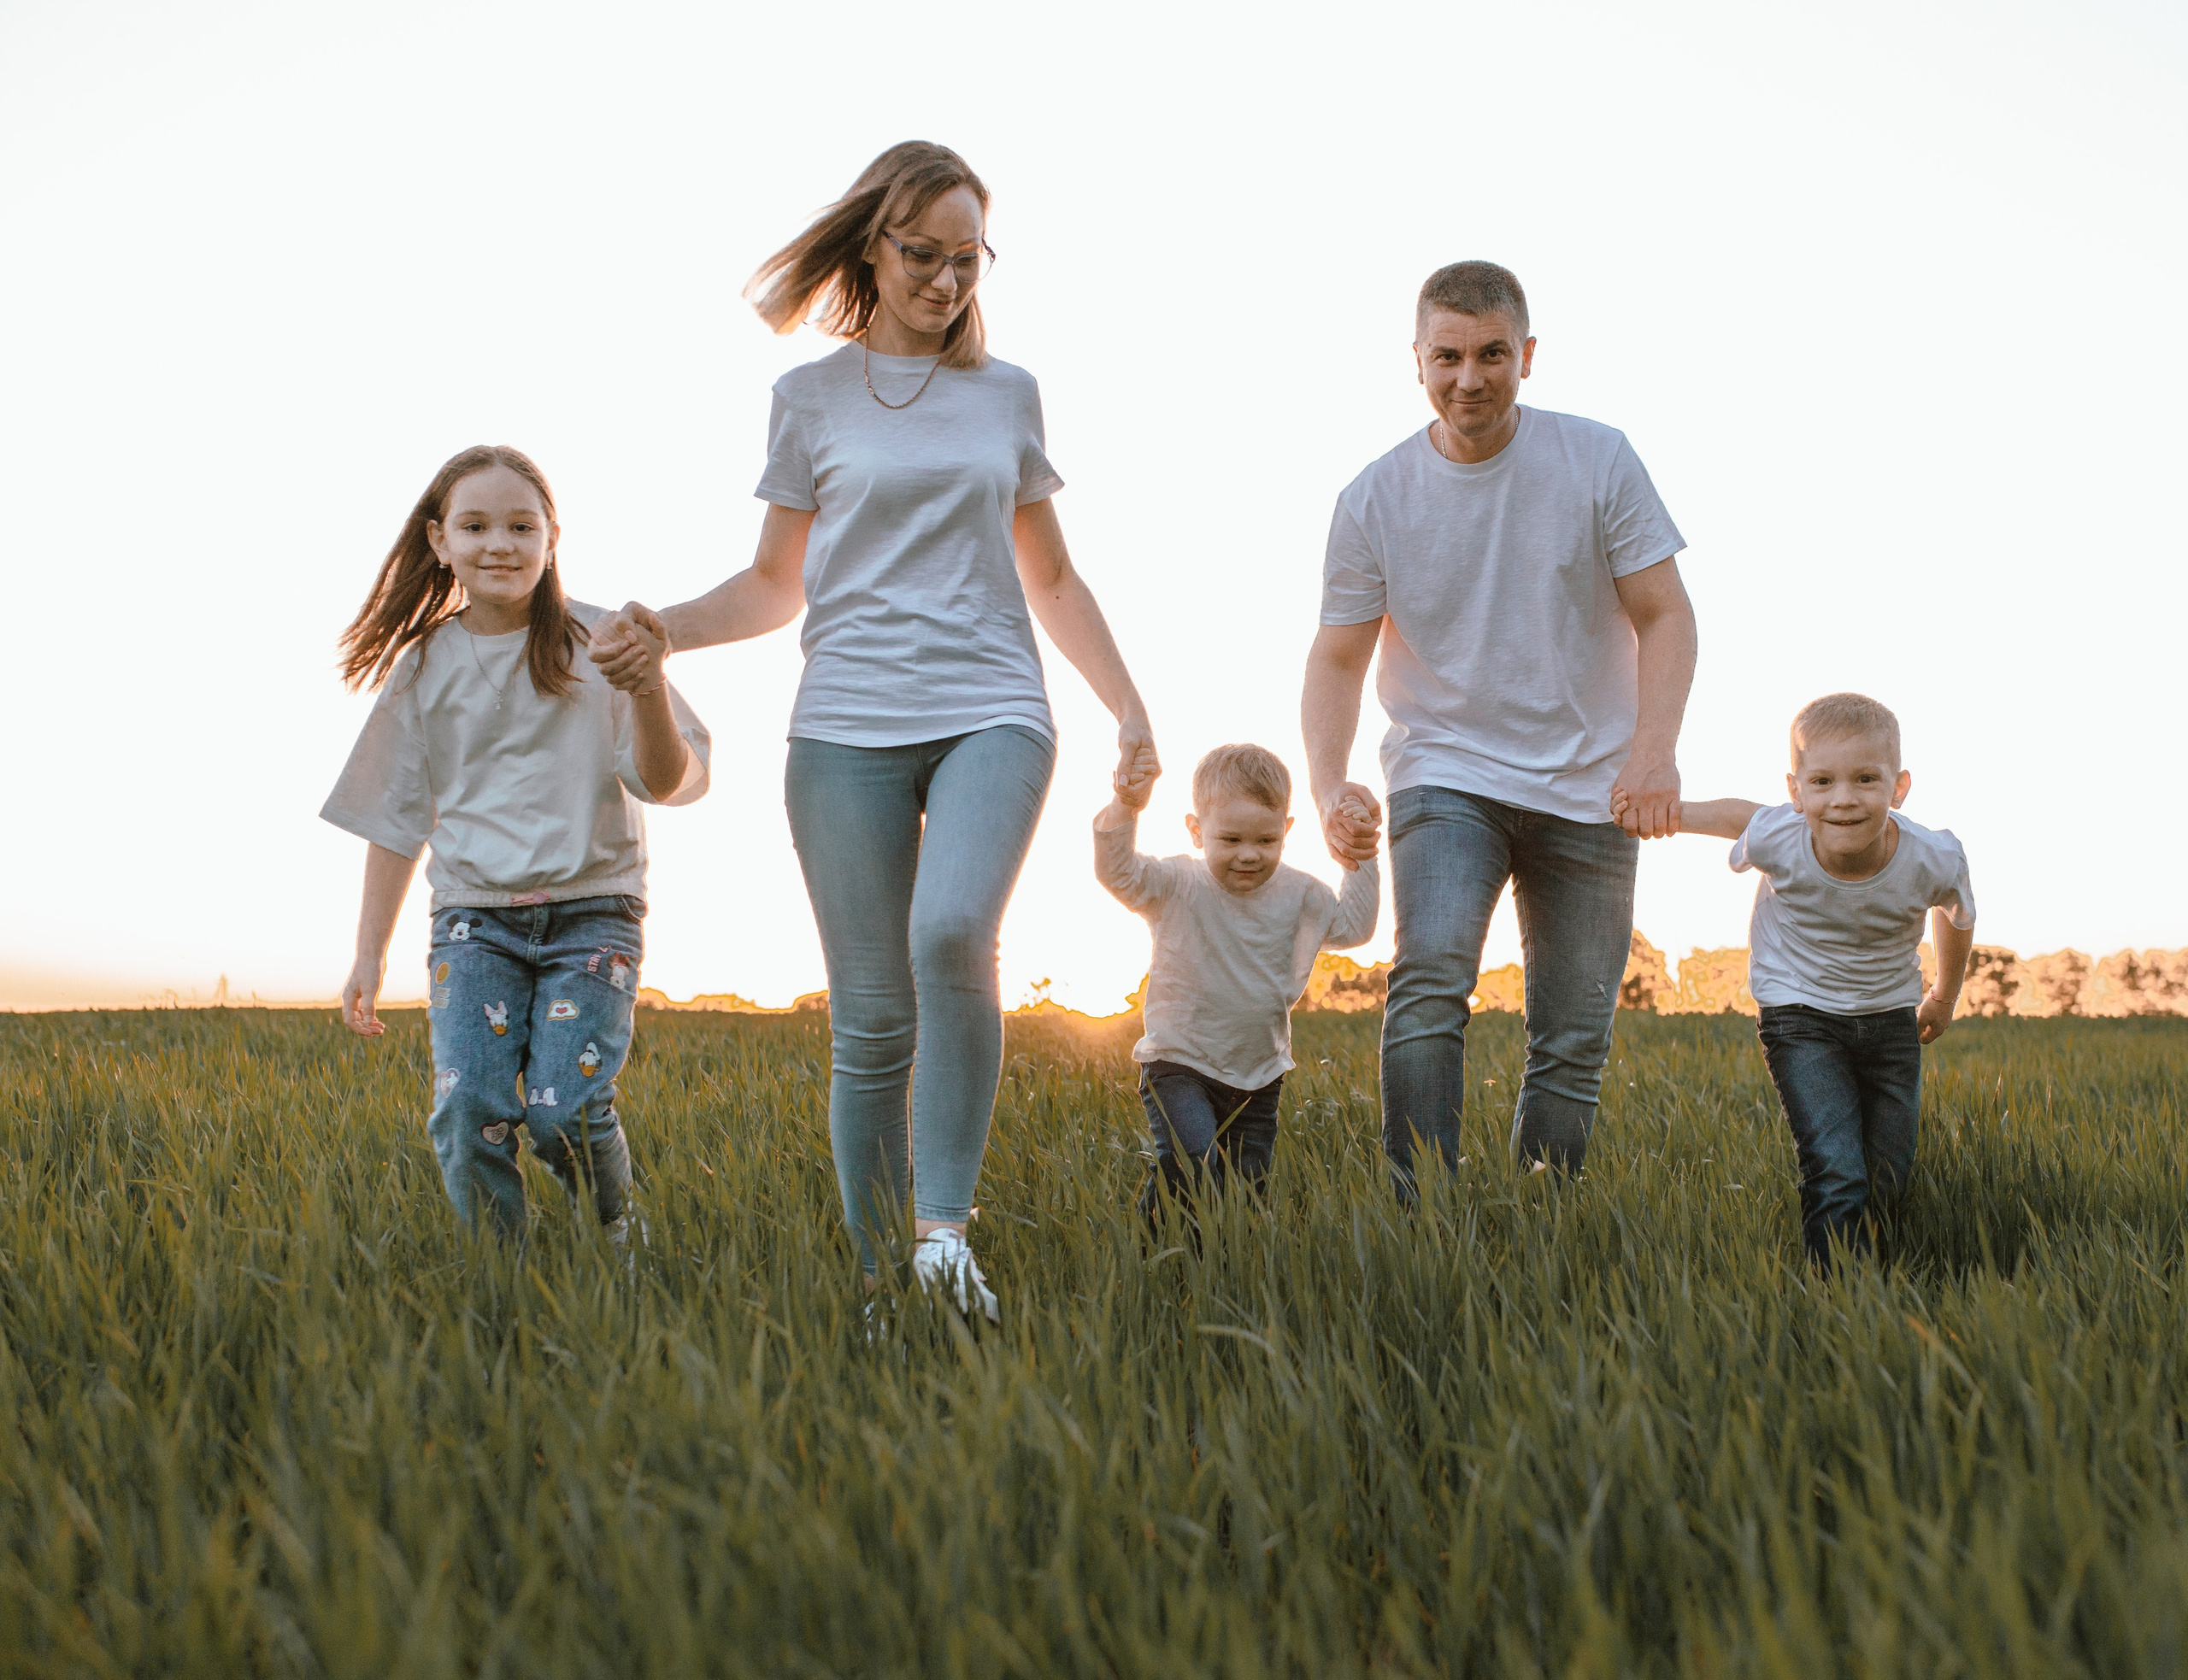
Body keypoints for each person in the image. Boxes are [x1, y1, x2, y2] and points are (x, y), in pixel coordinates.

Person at [590, 142, 1153, 1321]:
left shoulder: (1009, 394)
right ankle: (876, 1283)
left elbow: (1051, 579)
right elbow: (770, 585)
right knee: (871, 1014)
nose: (947, 281)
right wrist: (667, 629)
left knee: (952, 931)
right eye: (924, 255)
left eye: (968, 259)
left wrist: (1127, 702)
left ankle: (944, 1235)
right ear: (873, 246)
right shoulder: (810, 399)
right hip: (844, 723)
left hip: (994, 704)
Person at [1302, 260, 1698, 1193]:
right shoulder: (1374, 498)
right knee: (1431, 973)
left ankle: (1541, 1207)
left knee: (1572, 1027)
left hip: (1593, 782)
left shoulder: (1597, 460)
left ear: (1526, 355)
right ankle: (1421, 1207)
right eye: (1447, 356)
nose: (1468, 377)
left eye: (1490, 354)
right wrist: (1327, 782)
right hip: (1445, 771)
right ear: (1416, 360)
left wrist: (1653, 752)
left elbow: (1667, 613)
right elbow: (1335, 658)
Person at [324, 445, 711, 1238]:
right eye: (475, 525)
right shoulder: (425, 665)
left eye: (519, 526)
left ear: (552, 537)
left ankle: (614, 1233)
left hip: (593, 912)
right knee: (471, 1106)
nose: (499, 543)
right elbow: (396, 820)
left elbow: (665, 780)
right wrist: (369, 955)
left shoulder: (601, 640)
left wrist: (644, 690)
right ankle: (501, 1282)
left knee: (561, 1112)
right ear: (440, 542)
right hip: (473, 922)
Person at [1634, 692, 1974, 1266]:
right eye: (1822, 782)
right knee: (1838, 1169)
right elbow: (1739, 816)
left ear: (1899, 787)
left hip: (1891, 1019)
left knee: (1889, 1172)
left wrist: (1943, 996)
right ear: (1795, 792)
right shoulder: (1780, 836)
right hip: (1800, 1018)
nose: (1844, 800)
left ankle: (1889, 1273)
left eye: (1866, 779)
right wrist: (1668, 811)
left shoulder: (1933, 857)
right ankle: (1837, 1296)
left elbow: (1956, 916)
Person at [1094, 744, 1379, 1228]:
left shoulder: (1301, 893)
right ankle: (1154, 1248)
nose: (1248, 855)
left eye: (1266, 841)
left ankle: (1220, 1265)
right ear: (1196, 830)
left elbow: (1355, 925)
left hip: (1260, 1074)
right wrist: (1126, 806)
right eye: (1230, 839)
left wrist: (1361, 852)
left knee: (1245, 1192)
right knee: (1191, 1160)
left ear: (1286, 831)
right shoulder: (1176, 883)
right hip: (1179, 1062)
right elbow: (1117, 871)